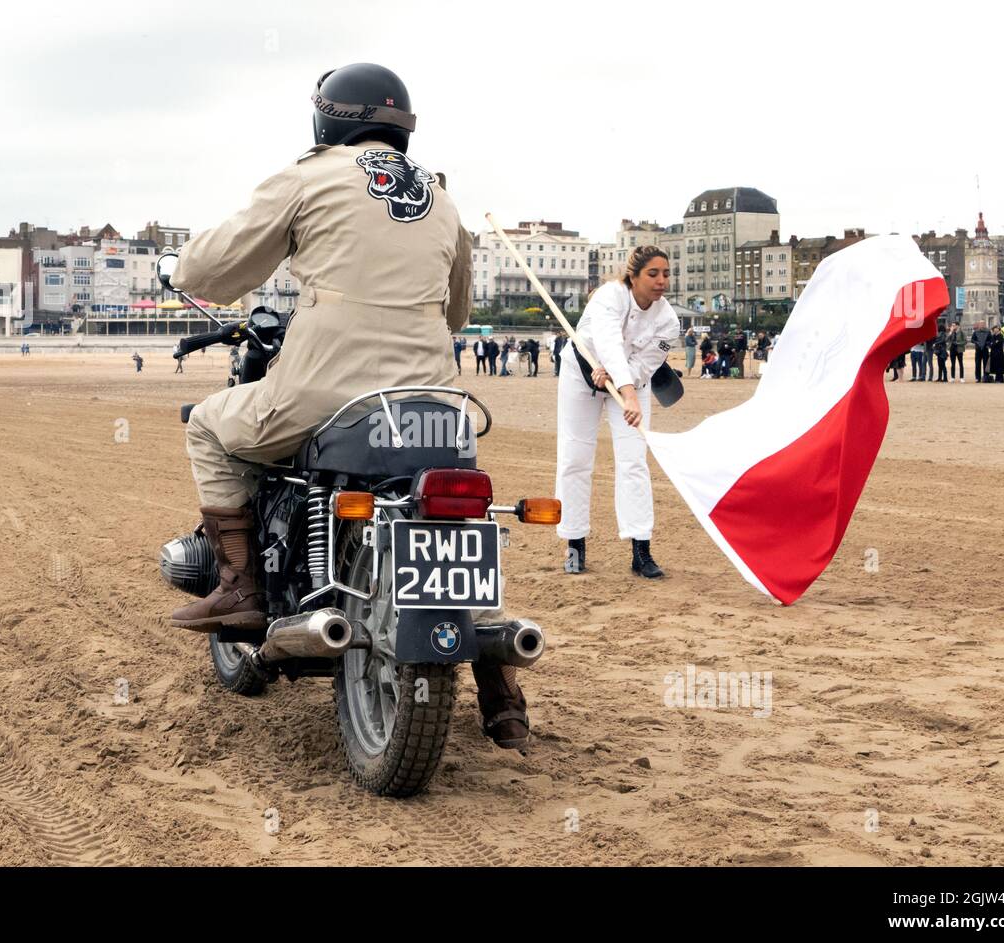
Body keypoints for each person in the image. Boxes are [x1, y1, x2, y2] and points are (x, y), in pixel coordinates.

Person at [167, 62, 529, 749]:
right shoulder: (442, 198)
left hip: (326, 387)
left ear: (327, 118)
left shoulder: (311, 175)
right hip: (433, 399)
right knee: (452, 515)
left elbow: (217, 268)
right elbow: (456, 311)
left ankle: (242, 587)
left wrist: (178, 268)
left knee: (213, 428)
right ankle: (498, 679)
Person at [556, 245, 678, 581]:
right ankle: (574, 544)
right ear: (633, 276)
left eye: (666, 273)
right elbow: (607, 341)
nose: (661, 281)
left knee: (633, 461)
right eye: (653, 274)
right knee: (575, 457)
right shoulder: (609, 296)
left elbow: (646, 363)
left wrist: (622, 381)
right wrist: (617, 379)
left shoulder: (668, 320)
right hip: (582, 371)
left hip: (629, 383)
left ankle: (641, 550)